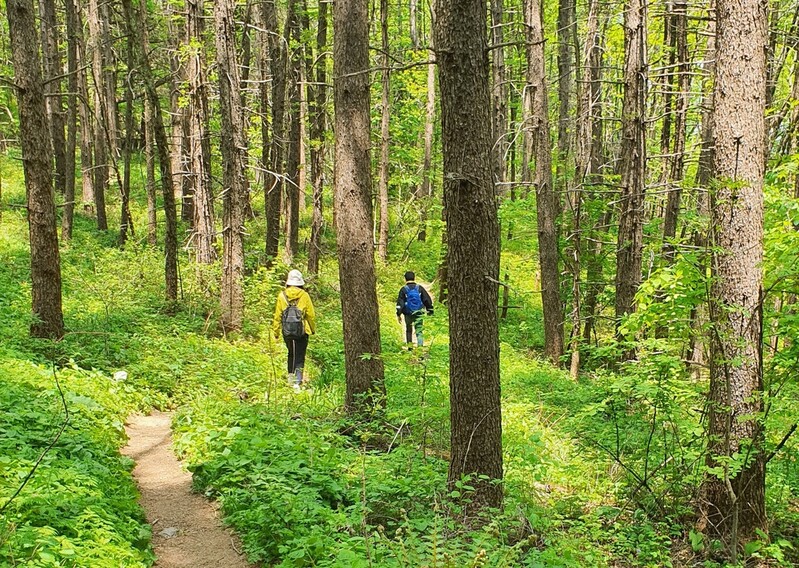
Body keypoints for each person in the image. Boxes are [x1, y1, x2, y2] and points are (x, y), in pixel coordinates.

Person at [272, 269, 316, 392]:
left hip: (287, 331)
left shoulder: (282, 295)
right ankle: (298, 382)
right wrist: (312, 329)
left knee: (291, 353)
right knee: (300, 355)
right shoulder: (304, 295)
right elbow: (310, 315)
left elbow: (277, 315)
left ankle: (290, 380)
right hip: (302, 331)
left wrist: (276, 332)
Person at [396, 271, 433, 348]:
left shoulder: (403, 289)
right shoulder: (419, 288)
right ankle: (420, 348)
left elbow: (400, 303)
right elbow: (427, 300)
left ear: (405, 279)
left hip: (408, 313)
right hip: (419, 312)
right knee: (419, 331)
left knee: (409, 330)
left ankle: (410, 348)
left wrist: (398, 314)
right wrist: (430, 311)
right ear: (414, 277)